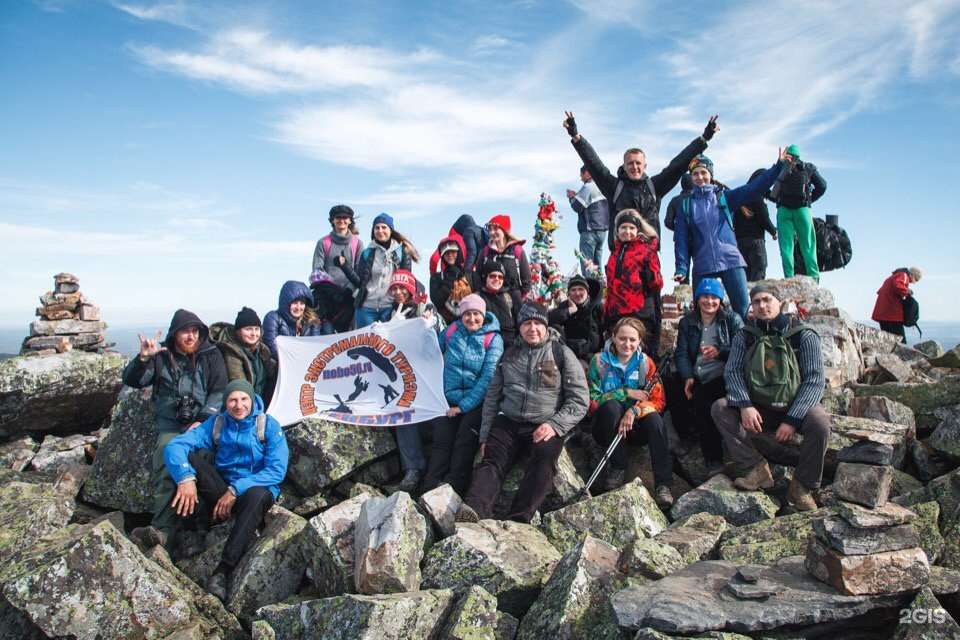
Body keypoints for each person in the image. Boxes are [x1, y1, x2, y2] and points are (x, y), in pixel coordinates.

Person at [456, 302, 589, 523]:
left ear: (546, 326)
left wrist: (555, 425)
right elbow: (492, 398)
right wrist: (485, 434)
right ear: (520, 327)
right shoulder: (509, 354)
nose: (533, 328)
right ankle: (474, 509)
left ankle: (518, 519)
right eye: (527, 323)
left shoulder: (560, 353)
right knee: (492, 460)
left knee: (544, 462)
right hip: (508, 421)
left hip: (545, 423)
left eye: (538, 323)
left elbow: (580, 399)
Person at [163, 379, 288, 601]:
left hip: (253, 490)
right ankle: (195, 533)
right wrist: (185, 478)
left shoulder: (267, 425)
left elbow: (276, 471)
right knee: (188, 461)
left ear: (252, 400)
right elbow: (175, 446)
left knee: (258, 495)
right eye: (232, 400)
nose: (238, 405)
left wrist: (235, 489)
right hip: (223, 486)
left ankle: (223, 571)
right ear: (225, 402)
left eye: (243, 399)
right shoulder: (217, 423)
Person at [711, 284, 831, 512]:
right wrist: (744, 405)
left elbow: (814, 380)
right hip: (759, 405)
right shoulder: (745, 336)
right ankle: (755, 467)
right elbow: (733, 371)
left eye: (767, 300)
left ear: (780, 301)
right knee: (720, 408)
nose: (762, 305)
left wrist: (793, 419)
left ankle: (802, 487)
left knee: (821, 424)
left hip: (795, 405)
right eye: (756, 302)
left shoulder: (803, 334)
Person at [124, 309, 228, 550]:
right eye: (185, 332)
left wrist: (202, 419)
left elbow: (219, 391)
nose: (191, 337)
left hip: (201, 426)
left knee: (207, 459)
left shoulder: (210, 355)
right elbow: (133, 380)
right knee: (165, 456)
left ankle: (202, 526)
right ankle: (163, 530)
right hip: (171, 425)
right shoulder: (161, 356)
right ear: (174, 334)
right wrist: (142, 359)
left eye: (194, 331)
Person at [562, 110, 719, 250]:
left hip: (648, 258)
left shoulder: (655, 186)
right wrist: (576, 137)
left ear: (645, 166)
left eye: (638, 163)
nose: (634, 167)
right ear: (624, 166)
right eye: (630, 163)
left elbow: (679, 164)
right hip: (620, 257)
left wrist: (703, 139)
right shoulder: (613, 187)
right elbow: (594, 164)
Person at [673, 151, 788, 320]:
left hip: (730, 260)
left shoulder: (724, 197)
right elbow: (681, 238)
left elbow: (755, 188)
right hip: (703, 264)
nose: (699, 177)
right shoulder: (686, 206)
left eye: (703, 173)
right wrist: (681, 267)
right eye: (695, 174)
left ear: (711, 175)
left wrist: (778, 166)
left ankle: (745, 345)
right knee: (701, 315)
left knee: (742, 310)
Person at [422, 294, 504, 496]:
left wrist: (463, 406)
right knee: (441, 443)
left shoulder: (493, 339)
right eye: (467, 314)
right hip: (447, 399)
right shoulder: (452, 331)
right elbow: (429, 351)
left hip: (476, 403)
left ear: (483, 315)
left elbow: (488, 378)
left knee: (463, 445)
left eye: (476, 314)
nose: (472, 318)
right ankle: (428, 490)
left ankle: (453, 494)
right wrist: (424, 328)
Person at [588, 317, 672, 506]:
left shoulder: (645, 363)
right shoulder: (599, 362)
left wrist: (634, 411)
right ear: (613, 337)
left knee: (655, 421)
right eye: (622, 338)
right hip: (606, 429)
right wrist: (625, 393)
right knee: (610, 407)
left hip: (635, 429)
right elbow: (591, 401)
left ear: (639, 341)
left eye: (632, 340)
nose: (627, 344)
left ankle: (663, 484)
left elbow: (658, 401)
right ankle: (618, 466)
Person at [673, 279, 743, 474]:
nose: (709, 301)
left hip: (722, 375)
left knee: (702, 399)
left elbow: (743, 349)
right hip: (696, 374)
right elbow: (681, 353)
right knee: (671, 383)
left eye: (714, 297)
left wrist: (719, 351)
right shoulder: (687, 321)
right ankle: (685, 435)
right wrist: (687, 376)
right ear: (697, 299)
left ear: (720, 300)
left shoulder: (731, 319)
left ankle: (713, 459)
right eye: (705, 296)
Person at [384, 269, 438, 491]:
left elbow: (437, 336)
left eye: (402, 288)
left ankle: (436, 472)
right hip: (402, 375)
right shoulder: (390, 312)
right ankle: (412, 468)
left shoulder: (425, 308)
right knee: (402, 415)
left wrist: (431, 324)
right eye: (394, 288)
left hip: (427, 374)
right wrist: (389, 328)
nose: (398, 293)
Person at [603, 210, 663, 357]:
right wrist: (606, 312)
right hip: (617, 313)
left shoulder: (647, 249)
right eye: (623, 227)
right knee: (618, 356)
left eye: (631, 228)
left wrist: (650, 277)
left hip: (639, 313)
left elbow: (658, 283)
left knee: (640, 356)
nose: (627, 231)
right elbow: (611, 286)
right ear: (617, 230)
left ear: (638, 230)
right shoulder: (614, 253)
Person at [345, 213, 420, 328]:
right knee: (367, 344)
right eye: (377, 228)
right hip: (366, 308)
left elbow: (406, 282)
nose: (380, 231)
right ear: (373, 231)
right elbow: (359, 282)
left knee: (388, 344)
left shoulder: (402, 252)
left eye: (384, 227)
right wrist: (345, 266)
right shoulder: (367, 253)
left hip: (390, 307)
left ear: (391, 230)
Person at [770, 145, 828, 282]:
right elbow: (822, 185)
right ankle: (814, 278)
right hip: (802, 210)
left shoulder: (781, 167)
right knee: (808, 246)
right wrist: (809, 200)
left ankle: (789, 278)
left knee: (786, 247)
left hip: (784, 210)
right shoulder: (808, 168)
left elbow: (769, 185)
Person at [209, 307, 278, 404]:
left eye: (256, 329)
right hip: (244, 406)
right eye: (248, 329)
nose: (253, 334)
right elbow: (240, 386)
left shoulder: (262, 350)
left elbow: (274, 372)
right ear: (238, 331)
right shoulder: (231, 351)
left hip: (263, 403)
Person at [312, 204, 365, 330]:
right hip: (327, 300)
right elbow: (317, 270)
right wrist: (330, 289)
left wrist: (349, 290)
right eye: (338, 217)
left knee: (347, 339)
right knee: (327, 335)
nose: (341, 220)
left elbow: (359, 272)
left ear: (349, 220)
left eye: (345, 217)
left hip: (348, 299)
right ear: (332, 220)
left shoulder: (357, 243)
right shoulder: (323, 243)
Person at [734, 168, 779, 281]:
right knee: (758, 273)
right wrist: (773, 231)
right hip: (755, 241)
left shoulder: (741, 195)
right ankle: (757, 298)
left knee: (745, 275)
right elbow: (763, 218)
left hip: (740, 242)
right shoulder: (757, 195)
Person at [478, 215, 531, 308]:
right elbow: (477, 277)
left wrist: (517, 299)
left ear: (504, 230)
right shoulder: (485, 252)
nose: (492, 232)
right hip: (490, 302)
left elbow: (526, 281)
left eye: (495, 229)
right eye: (490, 229)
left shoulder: (517, 251)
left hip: (514, 303)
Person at [548, 275, 602, 364]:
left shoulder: (597, 307)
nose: (577, 293)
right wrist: (568, 311)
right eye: (573, 290)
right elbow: (548, 320)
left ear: (587, 292)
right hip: (571, 354)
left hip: (594, 355)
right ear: (568, 293)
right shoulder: (565, 306)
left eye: (581, 289)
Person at [262, 280, 322, 359]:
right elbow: (271, 347)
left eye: (302, 303)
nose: (298, 307)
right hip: (279, 366)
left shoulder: (313, 322)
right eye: (295, 303)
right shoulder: (273, 318)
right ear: (286, 302)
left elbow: (315, 347)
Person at [567, 166, 609, 273]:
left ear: (587, 173)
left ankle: (589, 288)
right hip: (602, 231)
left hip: (590, 232)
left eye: (581, 175)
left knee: (587, 265)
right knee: (597, 266)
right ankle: (599, 288)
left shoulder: (588, 187)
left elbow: (577, 206)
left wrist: (572, 197)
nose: (581, 178)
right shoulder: (603, 186)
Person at [429, 235, 480, 324]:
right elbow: (436, 301)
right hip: (447, 326)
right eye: (446, 253)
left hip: (471, 323)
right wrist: (449, 281)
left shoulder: (471, 275)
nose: (450, 255)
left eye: (453, 252)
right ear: (442, 256)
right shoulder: (436, 278)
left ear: (458, 252)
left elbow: (480, 299)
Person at [871, 267, 923, 342]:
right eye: (915, 279)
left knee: (887, 341)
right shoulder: (904, 275)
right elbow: (897, 285)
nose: (912, 282)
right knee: (900, 341)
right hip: (892, 314)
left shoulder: (893, 277)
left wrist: (906, 290)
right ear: (912, 275)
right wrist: (907, 292)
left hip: (882, 313)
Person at [477, 258, 518, 345]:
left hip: (510, 342)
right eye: (492, 276)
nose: (496, 279)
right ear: (486, 277)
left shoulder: (509, 296)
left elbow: (519, 320)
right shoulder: (478, 297)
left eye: (500, 277)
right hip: (487, 342)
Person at [309, 269, 356, 334]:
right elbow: (340, 300)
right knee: (330, 336)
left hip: (320, 318)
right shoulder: (332, 288)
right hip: (332, 318)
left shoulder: (315, 292)